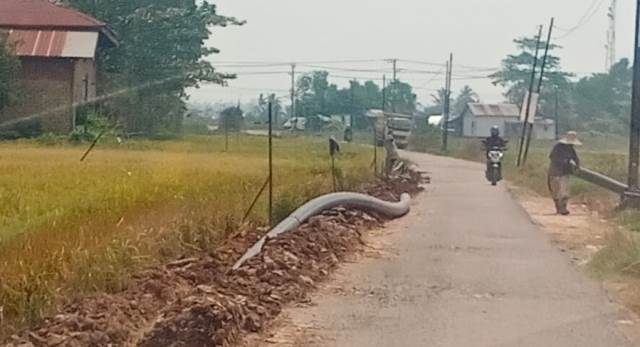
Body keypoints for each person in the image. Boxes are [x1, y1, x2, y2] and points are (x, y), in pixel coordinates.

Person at [548, 131, 581, 215]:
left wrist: (577, 166)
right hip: (554, 172)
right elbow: (552, 157)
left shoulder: (571, 149)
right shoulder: (557, 147)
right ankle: (558, 208)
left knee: (564, 192)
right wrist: (563, 161)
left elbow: (576, 158)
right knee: (556, 192)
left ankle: (563, 208)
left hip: (564, 173)